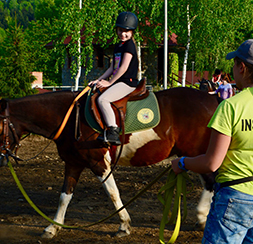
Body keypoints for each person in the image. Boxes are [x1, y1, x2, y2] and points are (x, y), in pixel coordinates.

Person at [172, 39, 253, 243]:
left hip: (235, 197)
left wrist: (182, 163)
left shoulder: (231, 107)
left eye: (234, 65)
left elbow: (211, 163)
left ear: (241, 67)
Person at [89, 12, 139, 145]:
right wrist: (99, 80)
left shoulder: (129, 46)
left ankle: (113, 131)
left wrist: (110, 82)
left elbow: (123, 68)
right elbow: (113, 68)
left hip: (128, 82)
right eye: (120, 30)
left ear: (132, 32)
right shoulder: (118, 46)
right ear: (116, 30)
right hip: (119, 81)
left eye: (127, 31)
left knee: (103, 99)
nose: (123, 34)